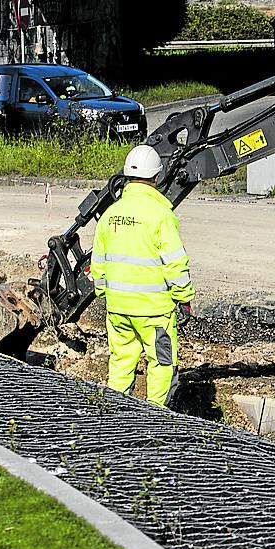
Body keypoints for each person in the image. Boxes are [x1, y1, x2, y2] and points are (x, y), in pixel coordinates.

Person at [89, 144, 194, 406]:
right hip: (154, 312)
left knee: (121, 363)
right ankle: (154, 421)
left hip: (118, 310)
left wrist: (106, 294)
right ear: (157, 178)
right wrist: (184, 297)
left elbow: (98, 264)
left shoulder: (110, 215)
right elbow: (175, 264)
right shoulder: (161, 216)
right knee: (161, 364)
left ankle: (115, 416)